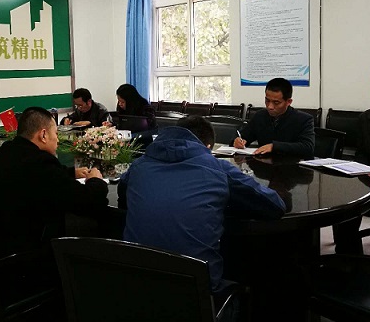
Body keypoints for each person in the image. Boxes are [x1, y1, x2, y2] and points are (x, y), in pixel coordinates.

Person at [118, 115, 286, 293]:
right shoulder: (218, 169)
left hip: (133, 286)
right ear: (208, 147)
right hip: (195, 293)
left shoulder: (138, 166)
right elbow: (275, 206)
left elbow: (124, 197)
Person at [0, 106, 109, 259]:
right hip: (17, 257)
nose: (57, 139)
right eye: (55, 134)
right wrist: (96, 180)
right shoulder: (39, 163)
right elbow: (87, 201)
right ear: (43, 135)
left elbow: (43, 177)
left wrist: (71, 173)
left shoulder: (8, 150)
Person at [333, 68, 370, 254]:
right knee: (343, 210)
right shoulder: (365, 118)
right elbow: (361, 153)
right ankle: (349, 262)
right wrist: (365, 170)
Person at [233, 77, 314, 157]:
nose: (270, 106)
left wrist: (274, 147)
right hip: (263, 163)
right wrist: (237, 141)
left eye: (276, 102)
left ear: (288, 102)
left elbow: (308, 147)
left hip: (291, 163)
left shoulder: (303, 119)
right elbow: (243, 136)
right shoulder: (260, 116)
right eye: (267, 100)